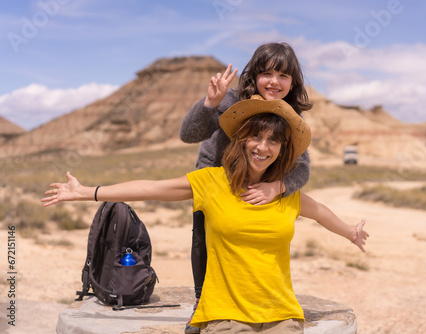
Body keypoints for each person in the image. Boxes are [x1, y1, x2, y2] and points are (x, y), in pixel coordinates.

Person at [42, 96, 369, 334]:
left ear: (282, 149)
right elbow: (150, 187)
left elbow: (321, 212)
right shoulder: (212, 183)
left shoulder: (285, 194)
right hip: (224, 317)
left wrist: (351, 232)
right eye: (256, 136)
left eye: (274, 140)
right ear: (241, 140)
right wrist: (86, 192)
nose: (263, 146)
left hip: (281, 316)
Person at [180, 42, 313, 332]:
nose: (274, 82)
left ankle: (261, 302)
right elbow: (188, 134)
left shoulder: (290, 116)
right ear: (254, 75)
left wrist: (278, 186)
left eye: (283, 76)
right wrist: (209, 104)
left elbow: (302, 169)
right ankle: (202, 303)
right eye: (267, 73)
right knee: (204, 241)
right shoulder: (228, 100)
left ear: (293, 82)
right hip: (216, 186)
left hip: (258, 190)